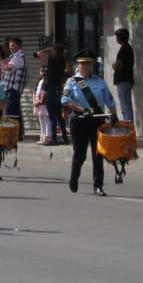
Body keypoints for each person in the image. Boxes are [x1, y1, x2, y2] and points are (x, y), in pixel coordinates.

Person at [62, 50, 118, 195]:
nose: (86, 66)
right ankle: (74, 178)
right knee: (80, 154)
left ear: (92, 65)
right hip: (79, 121)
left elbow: (109, 100)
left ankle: (98, 186)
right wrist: (81, 109)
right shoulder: (72, 81)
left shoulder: (99, 81)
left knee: (98, 154)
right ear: (78, 65)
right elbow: (65, 100)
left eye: (88, 63)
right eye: (83, 64)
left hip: (97, 120)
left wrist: (113, 114)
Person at [37, 43, 70, 145]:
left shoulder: (52, 58)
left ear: (54, 50)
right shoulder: (62, 59)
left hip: (51, 89)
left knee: (52, 115)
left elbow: (39, 53)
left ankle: (54, 139)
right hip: (58, 88)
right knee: (58, 115)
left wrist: (48, 49)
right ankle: (64, 138)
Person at [1, 36, 27, 141]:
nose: (11, 47)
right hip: (11, 88)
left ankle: (11, 135)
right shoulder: (14, 57)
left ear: (19, 46)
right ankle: (18, 135)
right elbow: (6, 69)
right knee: (15, 113)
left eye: (13, 45)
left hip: (13, 88)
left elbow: (8, 70)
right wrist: (5, 68)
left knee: (10, 112)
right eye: (10, 45)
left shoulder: (19, 57)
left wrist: (5, 68)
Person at [112, 29, 135, 124]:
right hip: (125, 79)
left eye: (117, 37)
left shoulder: (125, 49)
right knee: (125, 105)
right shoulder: (126, 48)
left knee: (125, 106)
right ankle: (128, 125)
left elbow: (118, 65)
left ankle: (128, 127)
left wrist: (114, 65)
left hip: (123, 80)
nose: (116, 39)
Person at [33, 66, 52, 145]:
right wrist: (34, 101)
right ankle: (42, 136)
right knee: (41, 121)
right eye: (41, 71)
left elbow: (46, 94)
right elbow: (35, 91)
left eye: (43, 71)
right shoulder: (39, 81)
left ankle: (47, 138)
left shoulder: (48, 82)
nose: (42, 73)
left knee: (47, 120)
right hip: (38, 102)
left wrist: (39, 102)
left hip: (44, 103)